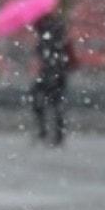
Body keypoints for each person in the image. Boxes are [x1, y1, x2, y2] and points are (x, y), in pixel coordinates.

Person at [30, 13, 73, 146]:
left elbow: (43, 55)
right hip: (59, 74)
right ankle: (58, 134)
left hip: (50, 74)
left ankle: (44, 131)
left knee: (41, 101)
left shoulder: (46, 38)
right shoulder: (60, 36)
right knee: (56, 104)